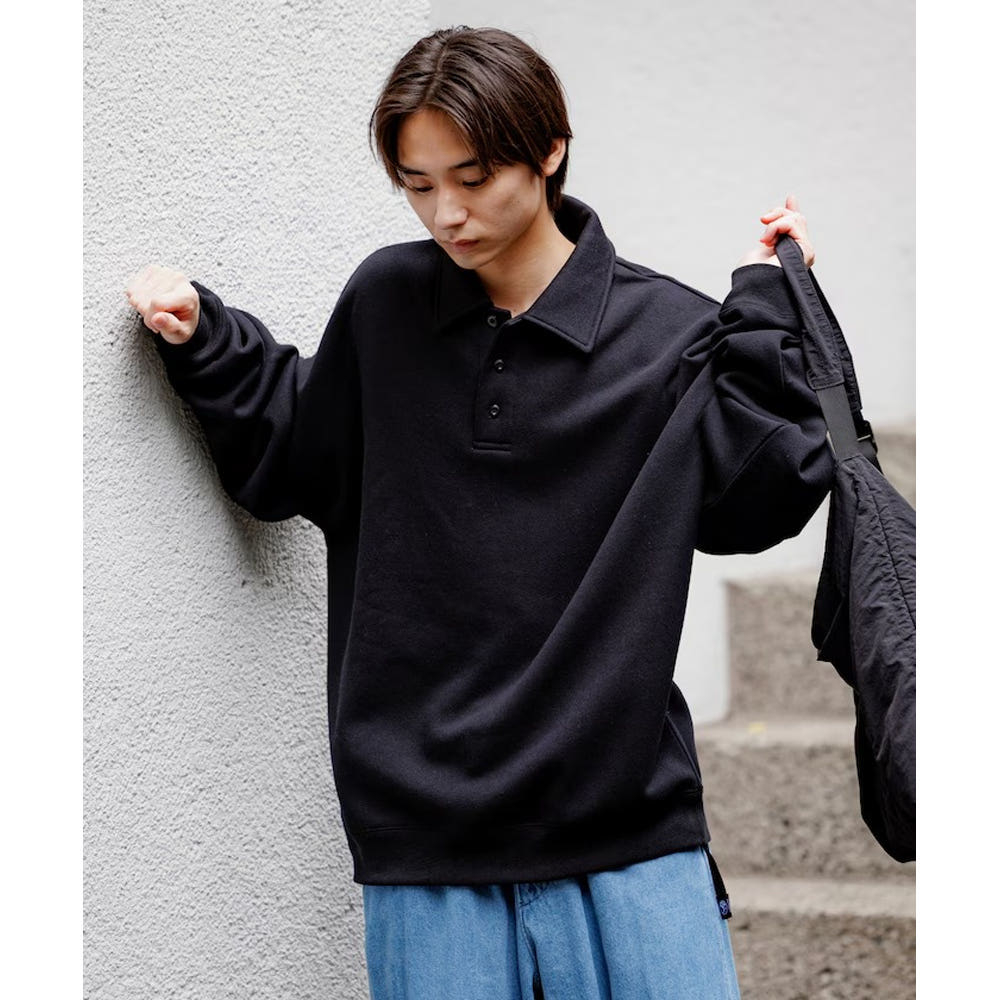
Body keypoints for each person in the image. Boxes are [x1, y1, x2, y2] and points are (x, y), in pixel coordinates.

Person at [125, 25, 833, 1000]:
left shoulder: (667, 335)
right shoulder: (387, 304)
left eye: (473, 177)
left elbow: (759, 502)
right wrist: (205, 338)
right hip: (428, 838)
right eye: (417, 185)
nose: (446, 213)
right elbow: (298, 450)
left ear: (550, 149)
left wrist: (769, 317)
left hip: (626, 826)